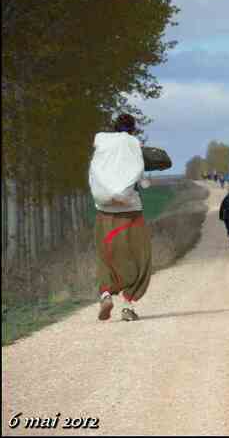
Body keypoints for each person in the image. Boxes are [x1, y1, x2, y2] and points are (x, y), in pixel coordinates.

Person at [89, 113, 152, 322]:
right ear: (133, 129)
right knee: (139, 257)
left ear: (114, 127)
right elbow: (142, 181)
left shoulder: (102, 143)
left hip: (104, 210)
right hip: (130, 211)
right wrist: (146, 182)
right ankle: (128, 305)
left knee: (106, 255)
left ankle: (106, 294)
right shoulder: (134, 144)